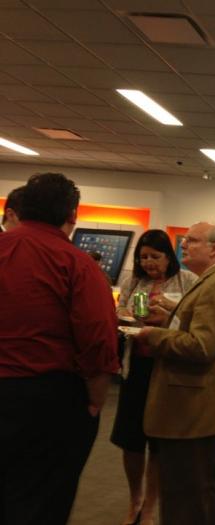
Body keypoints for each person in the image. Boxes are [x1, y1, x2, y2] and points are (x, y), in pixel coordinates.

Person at [0, 172, 119, 525]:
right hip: (47, 398)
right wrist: (96, 399)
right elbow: (98, 338)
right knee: (41, 497)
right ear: (72, 214)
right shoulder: (77, 264)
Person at [134, 222, 215, 525]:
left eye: (192, 240)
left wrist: (151, 335)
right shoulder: (213, 280)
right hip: (198, 405)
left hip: (196, 408)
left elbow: (201, 346)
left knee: (188, 495)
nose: (183, 244)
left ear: (214, 249)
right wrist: (169, 319)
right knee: (194, 490)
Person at [111, 229, 197, 525]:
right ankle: (135, 498)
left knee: (159, 443)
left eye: (155, 256)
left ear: (168, 257)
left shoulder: (187, 281)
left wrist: (167, 318)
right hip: (136, 367)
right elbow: (121, 310)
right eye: (143, 257)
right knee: (130, 440)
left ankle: (149, 505)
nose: (148, 262)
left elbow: (193, 321)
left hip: (167, 370)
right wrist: (128, 317)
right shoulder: (133, 281)